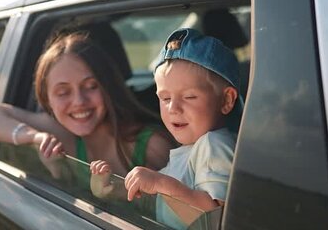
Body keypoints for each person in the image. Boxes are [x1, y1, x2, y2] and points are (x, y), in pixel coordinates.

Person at [90, 28, 243, 229]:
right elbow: (159, 200)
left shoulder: (214, 144)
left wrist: (160, 184)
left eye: (189, 97)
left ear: (226, 100)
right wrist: (113, 189)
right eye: (165, 98)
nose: (173, 108)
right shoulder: (189, 150)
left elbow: (214, 220)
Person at [0, 30, 174, 178]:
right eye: (63, 92)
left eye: (91, 86)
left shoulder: (153, 146)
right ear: (47, 100)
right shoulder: (62, 135)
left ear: (107, 86)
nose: (79, 102)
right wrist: (35, 137)